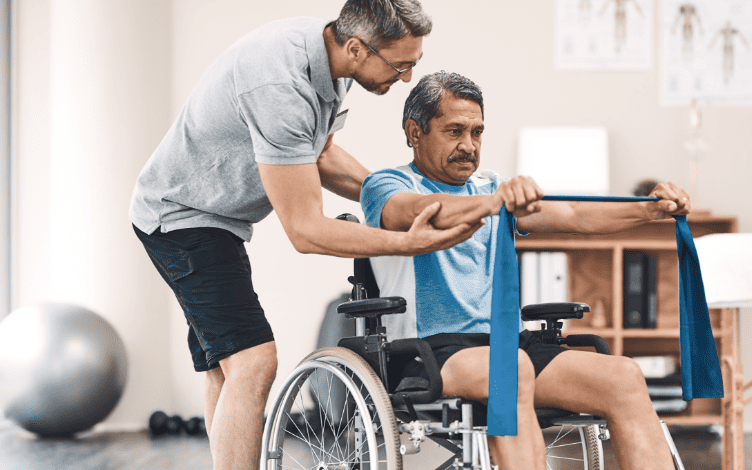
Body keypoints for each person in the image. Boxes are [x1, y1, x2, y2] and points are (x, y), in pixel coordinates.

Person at [129, 2, 482, 469]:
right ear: (357, 48)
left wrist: (394, 198)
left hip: (217, 218)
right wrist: (407, 242)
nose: (405, 78)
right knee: (254, 364)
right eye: (400, 65)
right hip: (183, 217)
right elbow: (306, 230)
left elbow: (318, 153)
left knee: (228, 370)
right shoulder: (279, 83)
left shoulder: (325, 58)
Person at [360, 71, 690, 470]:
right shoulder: (386, 184)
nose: (469, 146)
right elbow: (417, 214)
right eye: (454, 131)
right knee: (510, 369)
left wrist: (650, 210)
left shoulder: (490, 186)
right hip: (428, 352)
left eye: (477, 132)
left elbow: (572, 212)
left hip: (506, 344)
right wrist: (492, 203)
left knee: (623, 376)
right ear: (415, 131)